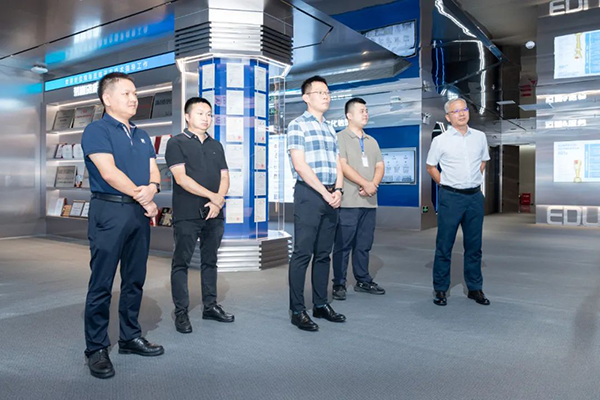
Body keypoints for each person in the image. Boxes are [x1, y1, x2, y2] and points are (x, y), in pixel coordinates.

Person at [82, 72, 163, 380]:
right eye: (126, 93)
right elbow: (109, 172)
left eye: (135, 94)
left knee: (134, 279)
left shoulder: (142, 134)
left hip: (138, 214)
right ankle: (96, 348)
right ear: (107, 98)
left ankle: (130, 337)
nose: (133, 99)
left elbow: (154, 171)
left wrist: (152, 189)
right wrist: (145, 199)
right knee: (102, 282)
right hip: (110, 210)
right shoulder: (96, 130)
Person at [165, 97, 233, 334]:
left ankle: (210, 306)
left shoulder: (216, 145)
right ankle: (181, 312)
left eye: (209, 114)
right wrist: (213, 197)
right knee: (181, 262)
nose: (206, 118)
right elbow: (181, 179)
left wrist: (217, 201)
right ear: (187, 116)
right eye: (201, 113)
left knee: (210, 260)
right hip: (187, 213)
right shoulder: (176, 143)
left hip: (215, 213)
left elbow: (225, 177)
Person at [287, 75, 346, 332]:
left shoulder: (330, 128)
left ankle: (321, 304)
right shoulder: (297, 125)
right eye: (320, 92)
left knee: (324, 254)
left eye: (327, 92)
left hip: (331, 195)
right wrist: (324, 192)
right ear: (306, 97)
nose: (325, 96)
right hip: (309, 195)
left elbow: (338, 163)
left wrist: (339, 190)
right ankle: (297, 310)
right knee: (303, 253)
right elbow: (300, 165)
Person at [425, 98, 491, 307]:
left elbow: (483, 161)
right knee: (444, 245)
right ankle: (440, 289)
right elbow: (430, 167)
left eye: (464, 109)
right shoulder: (440, 140)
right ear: (448, 117)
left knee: (474, 246)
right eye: (456, 111)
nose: (461, 113)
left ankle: (475, 288)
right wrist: (445, 183)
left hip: (474, 198)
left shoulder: (480, 137)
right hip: (451, 197)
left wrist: (471, 179)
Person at [331, 98, 385, 301]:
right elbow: (342, 166)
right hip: (348, 202)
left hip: (369, 202)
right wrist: (365, 183)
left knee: (364, 244)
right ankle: (339, 283)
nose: (366, 114)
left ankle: (363, 280)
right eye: (361, 111)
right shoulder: (340, 138)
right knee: (343, 245)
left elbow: (380, 165)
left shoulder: (372, 141)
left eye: (366, 110)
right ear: (349, 115)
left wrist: (372, 185)